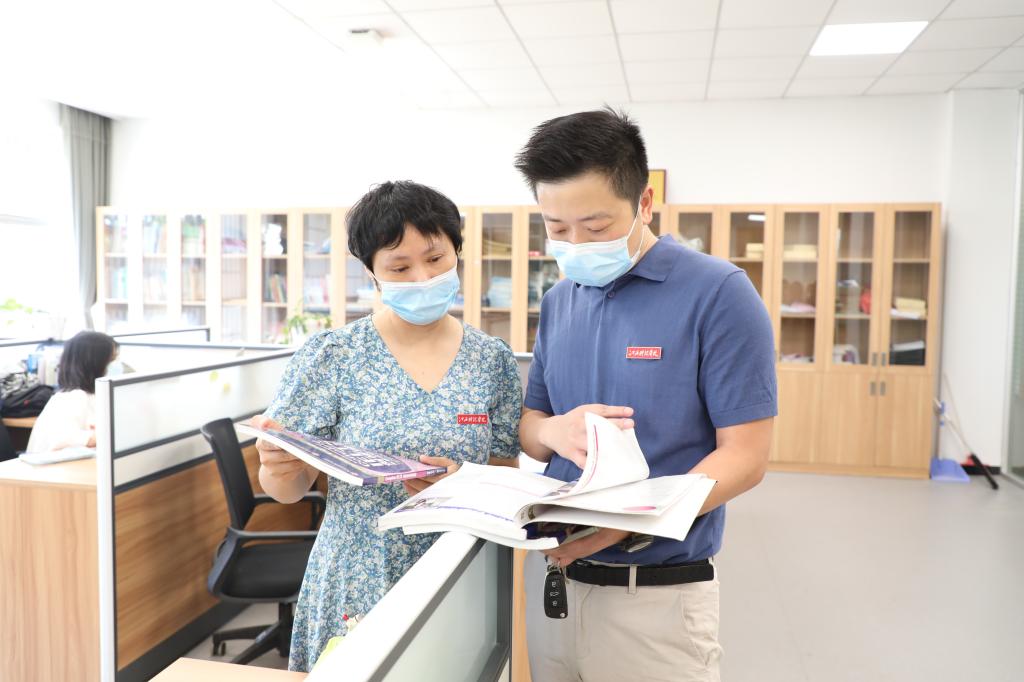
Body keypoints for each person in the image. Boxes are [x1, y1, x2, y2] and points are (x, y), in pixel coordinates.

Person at [515, 108, 777, 682]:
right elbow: (532, 426)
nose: (577, 244)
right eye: (557, 229)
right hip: (555, 586)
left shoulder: (719, 293)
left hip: (655, 599)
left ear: (645, 202)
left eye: (596, 227)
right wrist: (552, 430)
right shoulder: (559, 301)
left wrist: (630, 524)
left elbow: (746, 456)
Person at [252, 181, 523, 672]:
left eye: (435, 258)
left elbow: (506, 472)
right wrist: (279, 466)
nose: (422, 277)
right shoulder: (333, 356)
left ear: (457, 253)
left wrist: (463, 483)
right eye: (399, 267)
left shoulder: (492, 360)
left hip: (462, 571)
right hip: (359, 574)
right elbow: (285, 491)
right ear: (373, 273)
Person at [26, 331, 122, 452]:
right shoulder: (71, 398)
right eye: (111, 360)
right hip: (55, 462)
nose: (116, 365)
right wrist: (102, 436)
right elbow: (65, 439)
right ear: (95, 363)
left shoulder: (95, 395)